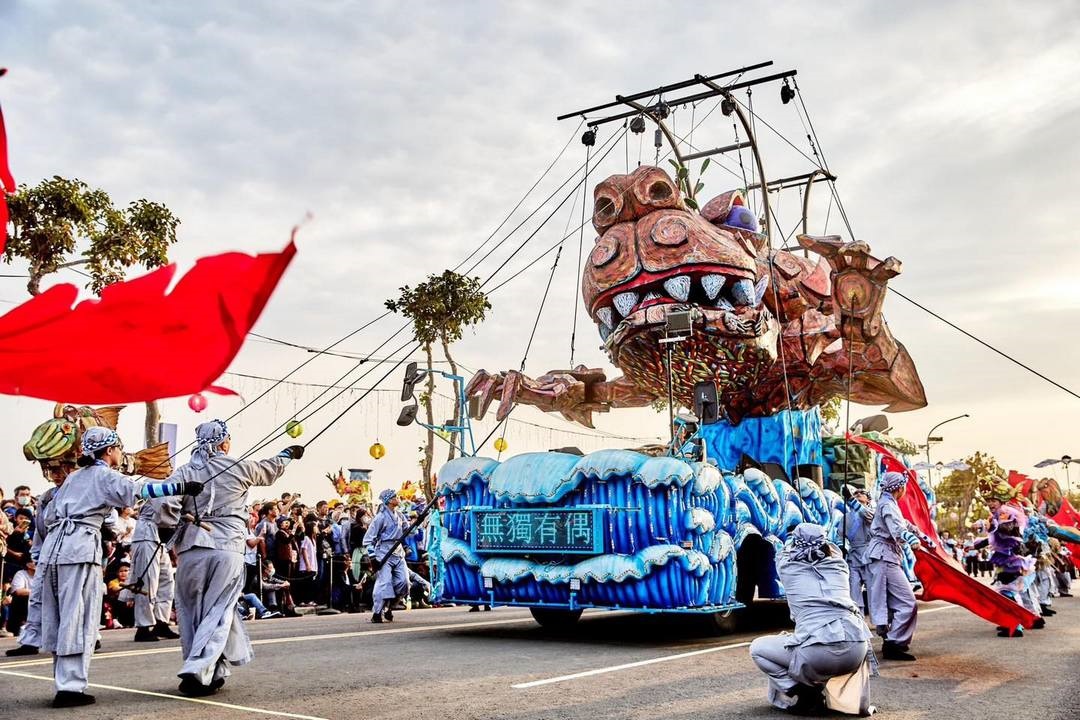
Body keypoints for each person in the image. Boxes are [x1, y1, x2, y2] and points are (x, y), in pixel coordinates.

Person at [36, 427, 200, 708]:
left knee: (62, 615)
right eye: (119, 449)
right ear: (110, 451)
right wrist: (180, 487)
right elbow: (139, 490)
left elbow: (49, 516)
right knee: (79, 614)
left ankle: (65, 682)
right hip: (79, 548)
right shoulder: (104, 475)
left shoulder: (73, 478)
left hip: (53, 550)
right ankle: (70, 688)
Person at [171, 420, 302, 697]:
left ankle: (213, 671)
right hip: (226, 547)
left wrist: (171, 528)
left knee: (191, 612)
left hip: (191, 548)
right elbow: (269, 469)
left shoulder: (182, 471)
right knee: (218, 610)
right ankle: (197, 669)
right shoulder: (237, 466)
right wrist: (287, 455)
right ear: (223, 442)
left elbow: (163, 507)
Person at [750, 524, 875, 715]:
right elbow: (832, 550)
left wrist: (795, 537)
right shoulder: (840, 567)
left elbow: (783, 551)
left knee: (757, 649)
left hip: (818, 653)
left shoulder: (787, 567)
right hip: (856, 648)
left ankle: (805, 693)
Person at [6, 460, 74, 657]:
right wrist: (38, 556)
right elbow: (41, 531)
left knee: (73, 599)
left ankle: (88, 637)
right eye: (52, 470)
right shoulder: (47, 497)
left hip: (73, 555)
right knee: (36, 598)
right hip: (49, 553)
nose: (56, 475)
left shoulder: (83, 494)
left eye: (61, 470)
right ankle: (31, 640)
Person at [867, 471, 925, 661]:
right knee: (908, 602)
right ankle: (894, 642)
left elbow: (901, 523)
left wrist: (918, 532)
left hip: (885, 555)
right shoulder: (887, 505)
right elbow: (896, 527)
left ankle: (892, 641)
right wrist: (911, 539)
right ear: (900, 488)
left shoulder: (887, 503)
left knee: (892, 601)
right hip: (884, 556)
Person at [129, 492, 181, 642]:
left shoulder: (171, 486)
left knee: (167, 581)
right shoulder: (154, 485)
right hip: (147, 535)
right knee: (147, 583)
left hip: (159, 538)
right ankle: (143, 627)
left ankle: (161, 622)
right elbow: (164, 508)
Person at [364, 489, 410, 623]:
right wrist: (373, 558)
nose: (398, 498)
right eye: (395, 496)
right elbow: (368, 540)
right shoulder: (380, 517)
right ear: (389, 500)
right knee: (384, 583)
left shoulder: (400, 515)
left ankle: (390, 605)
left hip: (398, 552)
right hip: (384, 552)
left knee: (404, 582)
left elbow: (408, 531)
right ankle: (377, 612)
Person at [842, 486, 874, 615]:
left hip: (870, 555)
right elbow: (840, 535)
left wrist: (850, 498)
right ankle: (858, 619)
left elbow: (866, 515)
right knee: (854, 589)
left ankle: (880, 622)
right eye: (855, 493)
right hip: (853, 556)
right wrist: (842, 547)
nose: (858, 494)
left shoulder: (873, 512)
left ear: (868, 499)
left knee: (873, 590)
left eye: (862, 492)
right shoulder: (846, 517)